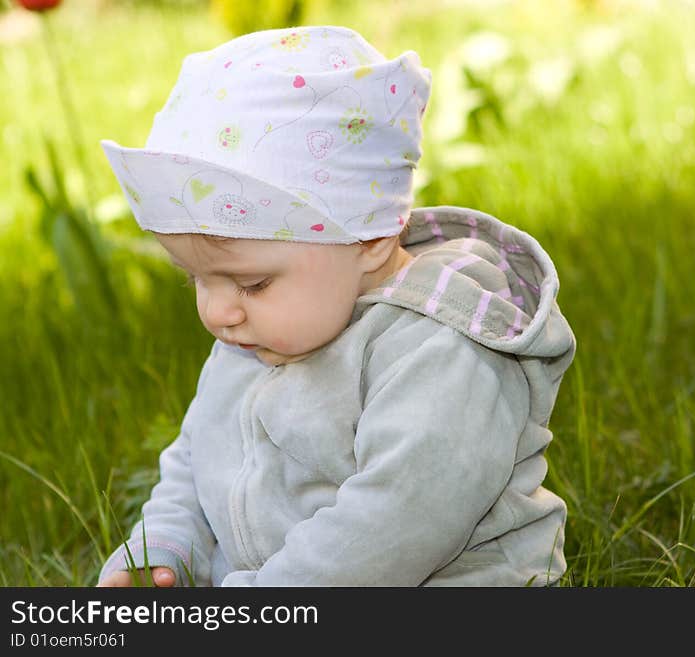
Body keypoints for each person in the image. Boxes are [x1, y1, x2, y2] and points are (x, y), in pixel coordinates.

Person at [96, 25, 576, 587]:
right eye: (195, 279)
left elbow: (394, 524)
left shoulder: (440, 350)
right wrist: (167, 543)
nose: (217, 312)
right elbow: (201, 451)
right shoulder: (260, 331)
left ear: (369, 239)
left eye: (251, 284)